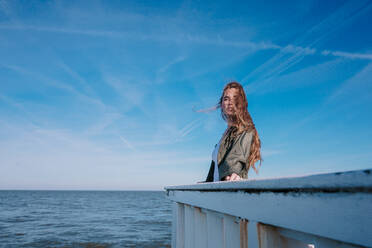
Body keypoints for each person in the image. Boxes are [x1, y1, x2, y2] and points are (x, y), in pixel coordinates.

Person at [205, 81, 262, 182]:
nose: (230, 102)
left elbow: (236, 156)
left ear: (241, 102)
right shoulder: (225, 134)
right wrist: (207, 182)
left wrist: (233, 172)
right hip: (216, 190)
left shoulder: (246, 129)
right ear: (222, 104)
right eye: (226, 99)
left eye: (235, 98)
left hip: (231, 187)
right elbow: (215, 169)